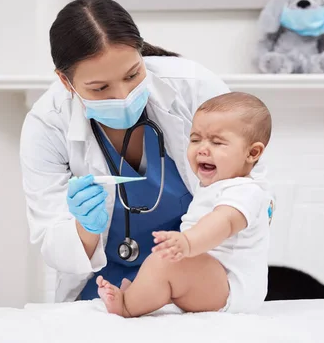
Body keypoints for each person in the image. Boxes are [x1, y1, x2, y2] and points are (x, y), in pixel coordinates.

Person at [19, 0, 268, 303]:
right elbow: (52, 242)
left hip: (192, 281)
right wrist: (85, 228)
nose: (123, 95)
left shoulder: (193, 87)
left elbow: (251, 186)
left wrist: (199, 240)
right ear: (65, 81)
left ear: (141, 53)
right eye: (100, 88)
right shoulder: (47, 124)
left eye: (133, 75)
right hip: (101, 289)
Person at [96, 92, 274, 316]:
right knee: (166, 260)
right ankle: (142, 294)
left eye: (217, 142)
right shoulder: (220, 186)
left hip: (230, 288)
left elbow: (223, 222)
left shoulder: (246, 192)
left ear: (253, 152)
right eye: (195, 139)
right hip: (213, 278)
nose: (202, 148)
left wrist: (188, 243)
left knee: (166, 262)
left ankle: (128, 306)